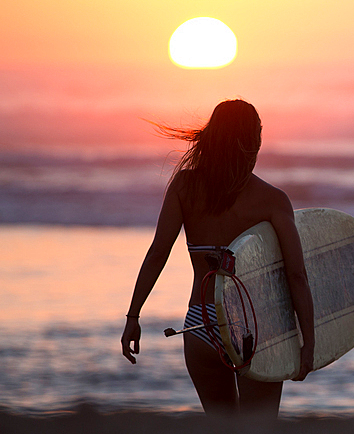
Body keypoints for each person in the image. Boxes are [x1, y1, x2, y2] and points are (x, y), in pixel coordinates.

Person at [120, 99, 314, 417]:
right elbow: (296, 276)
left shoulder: (185, 186)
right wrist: (309, 341)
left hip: (200, 325)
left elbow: (158, 254)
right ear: (256, 140)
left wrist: (133, 317)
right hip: (257, 327)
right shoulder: (273, 201)